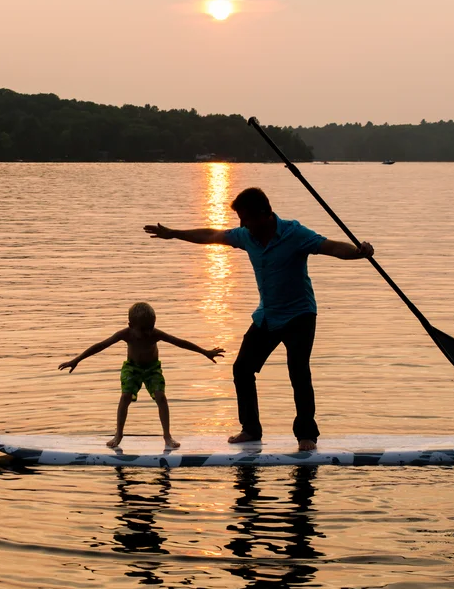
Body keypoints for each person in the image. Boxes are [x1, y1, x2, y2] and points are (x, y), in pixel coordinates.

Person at [143, 187, 373, 451]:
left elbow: (330, 246)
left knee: (298, 371)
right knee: (242, 369)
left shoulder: (295, 234)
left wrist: (358, 252)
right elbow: (211, 235)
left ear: (265, 214)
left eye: (246, 218)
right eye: (240, 218)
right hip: (267, 315)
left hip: (299, 315)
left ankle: (306, 435)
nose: (242, 225)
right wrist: (174, 233)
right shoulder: (246, 236)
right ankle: (251, 429)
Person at [59, 302, 224, 449]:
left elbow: (180, 342)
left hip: (152, 369)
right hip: (132, 368)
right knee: (125, 397)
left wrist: (205, 352)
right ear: (131, 326)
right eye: (143, 330)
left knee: (161, 397)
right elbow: (101, 345)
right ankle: (118, 434)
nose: (147, 333)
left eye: (150, 328)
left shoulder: (155, 334)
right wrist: (76, 360)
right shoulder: (125, 334)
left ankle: (167, 436)